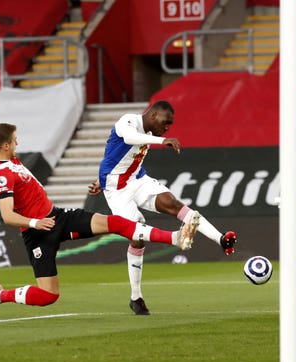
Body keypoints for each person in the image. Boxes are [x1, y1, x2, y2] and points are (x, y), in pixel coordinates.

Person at [0, 70, 200, 318]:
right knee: (48, 296)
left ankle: (175, 238)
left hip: (57, 216)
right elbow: (7, 215)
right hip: (38, 233)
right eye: (14, 141)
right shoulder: (1, 174)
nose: (17, 143)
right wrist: (37, 222)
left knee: (116, 223)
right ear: (4, 146)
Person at [87, 100, 237, 315]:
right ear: (154, 115)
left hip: (137, 179)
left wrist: (102, 180)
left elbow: (119, 158)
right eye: (166, 123)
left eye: (169, 126)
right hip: (117, 190)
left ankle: (220, 239)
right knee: (136, 235)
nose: (168, 128)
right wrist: (162, 139)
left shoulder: (148, 132)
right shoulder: (128, 121)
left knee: (173, 203)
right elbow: (129, 138)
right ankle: (136, 296)